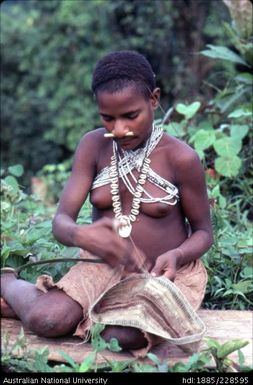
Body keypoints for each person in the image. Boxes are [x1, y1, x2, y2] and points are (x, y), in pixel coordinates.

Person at [1, 50, 213, 355]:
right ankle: (7, 282)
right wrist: (82, 235)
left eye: (131, 116)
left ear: (154, 100)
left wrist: (177, 255)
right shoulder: (93, 146)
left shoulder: (181, 158)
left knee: (122, 337)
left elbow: (204, 232)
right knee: (46, 319)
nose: (119, 129)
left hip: (163, 275)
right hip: (101, 266)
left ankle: (69, 312)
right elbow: (61, 221)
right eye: (107, 118)